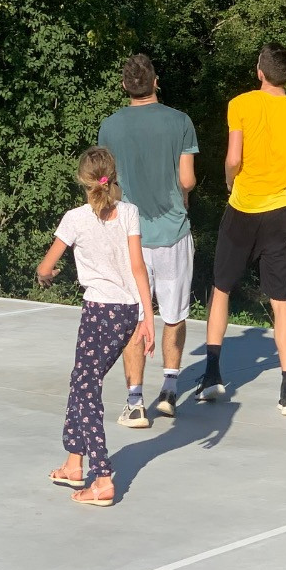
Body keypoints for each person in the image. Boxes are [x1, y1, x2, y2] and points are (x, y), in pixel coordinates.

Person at [197, 43, 286, 416]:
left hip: (242, 208)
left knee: (222, 289)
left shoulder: (240, 104)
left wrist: (229, 181)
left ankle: (212, 375)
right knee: (282, 301)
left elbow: (233, 158)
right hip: (282, 213)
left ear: (260, 71)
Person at [37, 147, 155, 506]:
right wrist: (148, 317)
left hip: (98, 312)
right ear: (112, 176)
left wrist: (46, 275)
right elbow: (138, 267)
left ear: (83, 180)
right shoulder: (130, 212)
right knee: (81, 380)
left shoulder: (75, 219)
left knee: (86, 388)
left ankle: (102, 477)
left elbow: (46, 266)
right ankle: (74, 463)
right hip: (127, 311)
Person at [97, 53, 197, 426]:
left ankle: (135, 401)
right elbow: (187, 180)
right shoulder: (180, 121)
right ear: (156, 82)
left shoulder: (110, 127)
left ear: (125, 86)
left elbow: (105, 182)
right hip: (172, 232)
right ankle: (169, 390)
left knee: (135, 318)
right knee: (174, 314)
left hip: (129, 236)